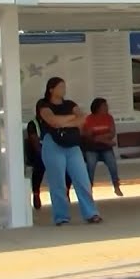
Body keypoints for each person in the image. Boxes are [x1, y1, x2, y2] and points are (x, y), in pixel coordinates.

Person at [35, 77, 102, 225]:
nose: (63, 89)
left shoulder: (70, 104)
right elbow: (52, 121)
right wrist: (71, 119)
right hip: (53, 144)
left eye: (64, 86)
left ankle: (91, 213)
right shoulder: (43, 104)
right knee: (58, 182)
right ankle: (61, 217)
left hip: (72, 145)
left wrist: (63, 122)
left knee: (82, 179)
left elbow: (83, 118)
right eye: (60, 87)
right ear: (51, 89)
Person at [25, 118, 71, 210]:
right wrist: (45, 154)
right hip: (40, 150)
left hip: (56, 149)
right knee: (39, 164)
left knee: (68, 165)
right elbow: (35, 142)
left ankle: (65, 191)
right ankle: (36, 193)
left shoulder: (54, 120)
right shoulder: (33, 124)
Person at [82, 98, 123, 197]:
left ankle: (116, 186)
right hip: (92, 147)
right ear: (98, 108)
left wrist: (100, 138)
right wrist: (104, 139)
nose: (107, 107)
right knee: (90, 166)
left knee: (112, 163)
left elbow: (112, 133)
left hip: (105, 147)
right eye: (104, 105)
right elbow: (89, 136)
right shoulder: (89, 119)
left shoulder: (109, 118)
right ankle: (89, 188)